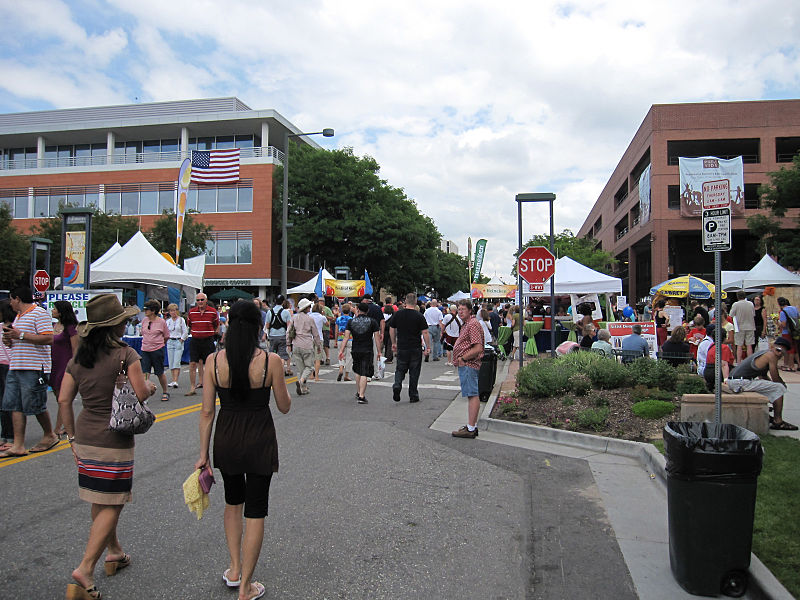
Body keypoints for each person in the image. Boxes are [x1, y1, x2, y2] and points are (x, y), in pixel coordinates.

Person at [57, 294, 157, 600]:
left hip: (85, 436)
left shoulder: (79, 359)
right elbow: (140, 393)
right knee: (113, 502)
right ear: (114, 326)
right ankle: (85, 569)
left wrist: (71, 437)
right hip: (114, 438)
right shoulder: (126, 355)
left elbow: (63, 400)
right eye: (124, 321)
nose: (126, 325)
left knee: (99, 499)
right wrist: (150, 387)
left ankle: (114, 552)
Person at [195, 300, 291, 600]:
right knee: (256, 510)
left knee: (232, 502)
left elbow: (207, 412)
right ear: (258, 326)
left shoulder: (213, 362)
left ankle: (235, 569)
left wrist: (203, 454)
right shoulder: (270, 361)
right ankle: (247, 585)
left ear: (229, 325)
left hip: (227, 436)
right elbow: (284, 406)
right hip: (260, 437)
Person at [0, 287, 57, 458]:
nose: (10, 303)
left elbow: (49, 338)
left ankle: (50, 434)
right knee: (14, 405)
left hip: (34, 367)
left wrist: (21, 335)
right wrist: (10, 340)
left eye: (11, 299)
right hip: (16, 366)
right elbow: (20, 339)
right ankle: (18, 444)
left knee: (35, 404)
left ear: (18, 299)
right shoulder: (19, 317)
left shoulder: (38, 313)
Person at [728, 337, 797, 430]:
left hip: (736, 381)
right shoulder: (771, 355)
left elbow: (763, 376)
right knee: (779, 388)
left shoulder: (764, 354)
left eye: (783, 353)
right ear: (773, 347)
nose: (779, 353)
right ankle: (778, 421)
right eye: (778, 350)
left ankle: (769, 414)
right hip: (739, 382)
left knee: (773, 387)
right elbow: (775, 376)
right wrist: (782, 384)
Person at [451, 299, 486, 438]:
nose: (460, 312)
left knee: (472, 394)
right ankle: (471, 426)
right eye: (458, 309)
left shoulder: (472, 324)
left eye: (463, 309)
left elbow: (478, 347)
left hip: (469, 364)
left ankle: (471, 428)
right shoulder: (467, 324)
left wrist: (463, 358)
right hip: (466, 364)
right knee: (471, 394)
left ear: (470, 310)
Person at [388, 293, 431, 403]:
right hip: (415, 346)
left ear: (405, 302)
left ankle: (397, 384)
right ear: (416, 302)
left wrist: (393, 342)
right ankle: (413, 394)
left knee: (400, 369)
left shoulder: (398, 314)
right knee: (414, 371)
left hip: (402, 346)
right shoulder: (419, 316)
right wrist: (428, 347)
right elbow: (425, 332)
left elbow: (392, 329)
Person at [339, 302, 381, 404]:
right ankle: (362, 396)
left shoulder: (351, 322)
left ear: (357, 310)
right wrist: (379, 351)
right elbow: (377, 338)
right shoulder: (373, 322)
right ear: (367, 311)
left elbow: (346, 337)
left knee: (358, 371)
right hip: (367, 349)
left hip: (355, 348)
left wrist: (341, 350)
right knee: (364, 372)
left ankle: (358, 391)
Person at [51, 300, 80, 439]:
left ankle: (59, 428)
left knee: (63, 398)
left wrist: (73, 366)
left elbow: (75, 349)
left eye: (55, 309)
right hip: (54, 364)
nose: (52, 311)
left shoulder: (71, 327)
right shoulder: (55, 325)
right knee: (58, 397)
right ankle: (62, 425)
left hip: (65, 364)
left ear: (61, 311)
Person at [186, 293, 219, 396]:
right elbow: (190, 325)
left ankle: (212, 386)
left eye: (202, 300)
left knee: (210, 364)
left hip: (208, 340)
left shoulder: (213, 312)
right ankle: (192, 387)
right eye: (198, 300)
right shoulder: (191, 312)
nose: (200, 302)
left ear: (206, 300)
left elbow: (215, 325)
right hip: (195, 340)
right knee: (192, 364)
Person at [285, 298, 320, 396]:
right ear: (306, 308)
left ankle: (303, 388)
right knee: (309, 367)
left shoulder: (294, 318)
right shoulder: (310, 319)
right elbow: (315, 334)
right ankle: (301, 382)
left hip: (296, 344)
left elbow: (288, 332)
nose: (310, 308)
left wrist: (288, 343)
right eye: (309, 306)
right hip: (307, 344)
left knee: (301, 368)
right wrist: (318, 345)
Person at [140, 300, 171, 402]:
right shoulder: (144, 320)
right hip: (145, 349)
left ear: (153, 311)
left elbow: (166, 336)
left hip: (157, 349)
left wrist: (160, 344)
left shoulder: (161, 322)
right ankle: (145, 393)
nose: (145, 311)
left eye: (147, 309)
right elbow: (142, 333)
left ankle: (165, 391)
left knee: (159, 372)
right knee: (145, 372)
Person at [0, 300, 16, 450]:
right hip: (2, 365)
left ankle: (10, 435)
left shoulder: (14, 328)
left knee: (8, 403)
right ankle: (4, 434)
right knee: (2, 404)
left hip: (9, 366)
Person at [267, 297, 292, 376]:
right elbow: (289, 326)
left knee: (272, 354)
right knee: (282, 355)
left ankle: (272, 371)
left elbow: (267, 325)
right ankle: (280, 371)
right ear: (283, 302)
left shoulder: (269, 312)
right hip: (282, 336)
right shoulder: (286, 312)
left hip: (272, 335)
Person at [165, 303, 188, 388]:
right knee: (171, 361)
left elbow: (185, 331)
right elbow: (166, 332)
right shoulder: (168, 321)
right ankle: (172, 379)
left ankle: (175, 380)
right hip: (170, 341)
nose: (173, 312)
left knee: (176, 361)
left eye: (174, 310)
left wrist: (181, 339)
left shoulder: (181, 320)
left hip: (178, 341)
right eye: (171, 311)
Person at [729, 291, 756, 363]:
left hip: (739, 327)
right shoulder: (751, 304)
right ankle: (750, 362)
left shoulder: (736, 304)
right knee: (749, 345)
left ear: (737, 296)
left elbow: (731, 315)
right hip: (750, 326)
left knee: (739, 345)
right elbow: (753, 314)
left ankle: (738, 362)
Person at [777, 297, 799, 371]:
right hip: (795, 331)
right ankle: (799, 365)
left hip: (786, 332)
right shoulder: (794, 308)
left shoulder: (783, 312)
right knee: (795, 349)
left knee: (790, 349)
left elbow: (783, 324)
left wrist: (778, 322)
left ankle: (791, 366)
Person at [335, 303, 353, 382]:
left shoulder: (338, 319)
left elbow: (336, 330)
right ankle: (346, 375)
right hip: (349, 339)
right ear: (349, 311)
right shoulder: (351, 319)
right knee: (349, 357)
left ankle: (341, 368)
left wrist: (335, 340)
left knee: (341, 354)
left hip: (340, 338)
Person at [309, 304, 327, 382]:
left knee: (310, 357)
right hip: (319, 338)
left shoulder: (309, 316)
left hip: (310, 337)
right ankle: (316, 376)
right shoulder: (322, 317)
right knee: (318, 358)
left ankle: (310, 375)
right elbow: (327, 324)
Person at [318, 298, 335, 366]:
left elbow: (332, 318)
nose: (320, 303)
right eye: (319, 302)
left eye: (321, 302)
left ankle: (328, 358)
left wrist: (325, 315)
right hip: (318, 328)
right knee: (319, 344)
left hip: (325, 328)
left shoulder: (327, 309)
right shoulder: (316, 309)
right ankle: (321, 358)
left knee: (326, 344)